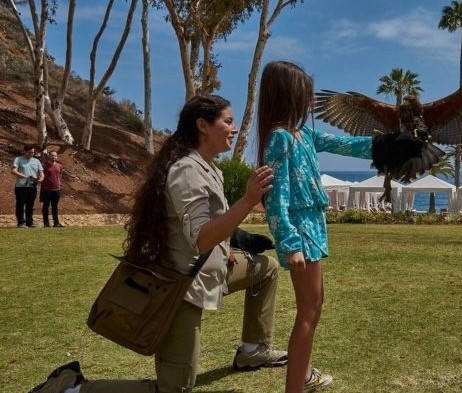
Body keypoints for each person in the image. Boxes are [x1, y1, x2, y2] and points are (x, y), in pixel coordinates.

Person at [29, 95, 287, 393]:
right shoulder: (187, 170)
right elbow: (201, 236)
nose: (234, 127)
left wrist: (224, 246)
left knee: (266, 268)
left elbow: (204, 230)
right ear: (203, 125)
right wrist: (248, 200)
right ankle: (71, 388)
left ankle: (253, 350)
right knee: (174, 389)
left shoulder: (210, 168)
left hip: (211, 272)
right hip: (181, 289)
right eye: (228, 121)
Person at [257, 60, 427, 393]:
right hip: (301, 233)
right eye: (304, 94)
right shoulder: (279, 137)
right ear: (286, 95)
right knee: (308, 310)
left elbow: (346, 145)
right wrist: (289, 245)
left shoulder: (302, 133)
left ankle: (303, 375)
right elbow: (276, 199)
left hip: (314, 226)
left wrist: (392, 144)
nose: (309, 102)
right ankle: (295, 387)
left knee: (316, 306)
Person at [11, 144, 44, 228]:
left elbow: (41, 173)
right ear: (24, 151)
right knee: (21, 204)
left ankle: (30, 222)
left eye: (33, 152)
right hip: (21, 186)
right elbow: (13, 171)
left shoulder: (36, 161)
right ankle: (21, 222)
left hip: (32, 186)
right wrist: (25, 176)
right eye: (29, 152)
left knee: (30, 204)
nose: (31, 154)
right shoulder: (18, 159)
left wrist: (41, 178)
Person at [40, 150, 65, 227]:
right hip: (46, 189)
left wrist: (58, 183)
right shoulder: (44, 165)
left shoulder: (59, 166)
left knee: (55, 206)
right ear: (49, 156)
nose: (53, 157)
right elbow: (40, 175)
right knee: (46, 206)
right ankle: (46, 223)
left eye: (55, 155)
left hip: (56, 189)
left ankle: (56, 223)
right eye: (52, 155)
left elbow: (60, 175)